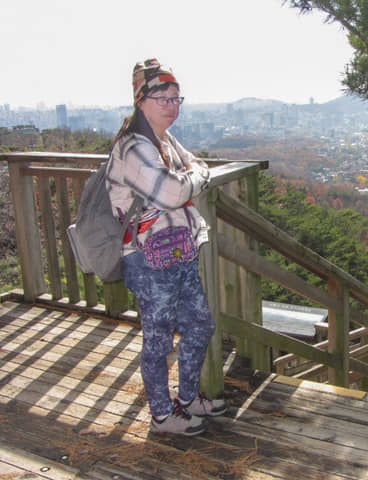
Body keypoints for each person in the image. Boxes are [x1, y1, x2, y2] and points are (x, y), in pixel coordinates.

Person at [106, 58, 226, 436]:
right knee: (157, 340)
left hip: (180, 250)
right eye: (163, 97)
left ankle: (187, 399)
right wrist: (194, 178)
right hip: (148, 257)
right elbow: (175, 190)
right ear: (141, 100)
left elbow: (197, 168)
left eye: (177, 97)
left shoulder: (165, 140)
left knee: (200, 325)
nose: (172, 104)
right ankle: (161, 415)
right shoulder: (133, 147)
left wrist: (193, 175)